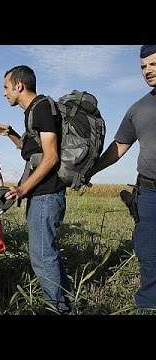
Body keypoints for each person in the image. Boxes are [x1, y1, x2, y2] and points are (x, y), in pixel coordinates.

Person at [0, 65, 71, 313]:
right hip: (41, 194)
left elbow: (51, 156)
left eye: (6, 87)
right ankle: (65, 303)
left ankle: (58, 309)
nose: (4, 93)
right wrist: (10, 133)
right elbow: (32, 150)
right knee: (46, 255)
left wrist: (23, 189)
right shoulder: (33, 111)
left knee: (43, 258)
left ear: (19, 86)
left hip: (46, 194)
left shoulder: (42, 107)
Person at [88, 45, 156, 312]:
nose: (147, 70)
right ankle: (149, 307)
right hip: (149, 193)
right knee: (149, 253)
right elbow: (118, 148)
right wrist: (89, 171)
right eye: (143, 67)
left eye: (153, 63)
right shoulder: (138, 109)